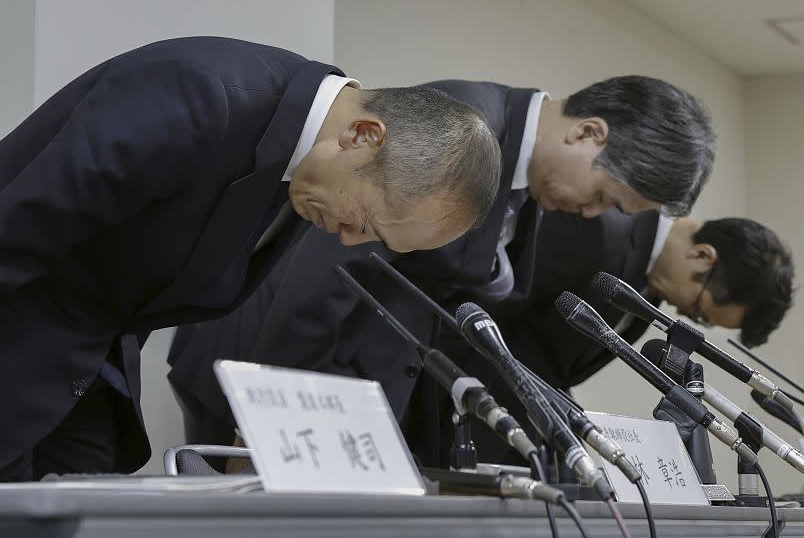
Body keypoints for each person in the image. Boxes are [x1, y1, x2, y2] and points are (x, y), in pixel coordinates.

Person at [0, 36, 504, 481]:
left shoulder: (299, 169)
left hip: (76, 389)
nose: (352, 241)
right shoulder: (201, 93)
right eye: (368, 222)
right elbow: (18, 232)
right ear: (363, 136)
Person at [167, 76, 718, 467]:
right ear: (587, 134)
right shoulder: (462, 126)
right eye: (603, 196)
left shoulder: (524, 186)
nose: (592, 215)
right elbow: (326, 270)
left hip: (338, 393)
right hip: (265, 368)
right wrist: (273, 413)